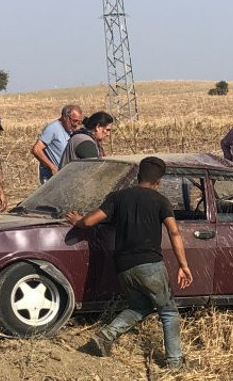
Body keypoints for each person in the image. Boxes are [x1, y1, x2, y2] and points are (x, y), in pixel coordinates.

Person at [66, 157, 193, 366]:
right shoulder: (160, 201)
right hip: (149, 265)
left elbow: (89, 221)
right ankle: (174, 361)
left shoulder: (117, 197)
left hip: (124, 266)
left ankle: (105, 337)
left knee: (140, 306)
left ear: (138, 176)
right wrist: (183, 265)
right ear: (158, 182)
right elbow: (174, 232)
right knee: (168, 311)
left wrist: (77, 221)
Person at [31, 103, 83, 183]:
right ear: (65, 117)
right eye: (75, 121)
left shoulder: (70, 130)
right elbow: (36, 149)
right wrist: (52, 167)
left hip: (65, 177)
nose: (76, 125)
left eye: (79, 122)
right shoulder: (52, 128)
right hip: (52, 178)